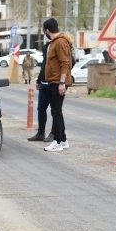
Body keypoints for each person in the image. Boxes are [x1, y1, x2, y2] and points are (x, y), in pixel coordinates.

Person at [39, 18, 75, 151]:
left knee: (56, 112)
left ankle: (57, 142)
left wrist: (61, 82)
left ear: (47, 30)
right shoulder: (56, 42)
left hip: (57, 82)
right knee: (57, 111)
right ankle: (63, 140)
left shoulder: (59, 42)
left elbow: (64, 63)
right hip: (53, 81)